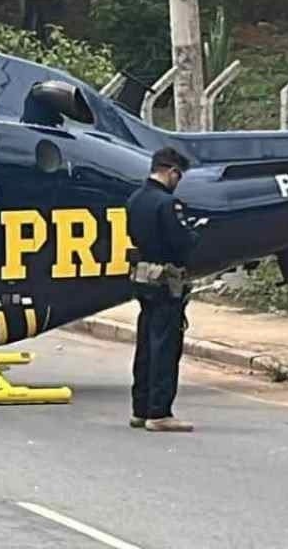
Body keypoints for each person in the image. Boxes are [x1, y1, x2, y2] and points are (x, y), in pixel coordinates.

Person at [125, 147, 202, 433]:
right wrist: (195, 234)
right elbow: (181, 242)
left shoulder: (135, 199)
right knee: (165, 347)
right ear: (171, 171)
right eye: (178, 176)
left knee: (145, 344)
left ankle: (140, 408)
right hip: (166, 281)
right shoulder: (167, 204)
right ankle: (159, 412)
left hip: (143, 276)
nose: (177, 182)